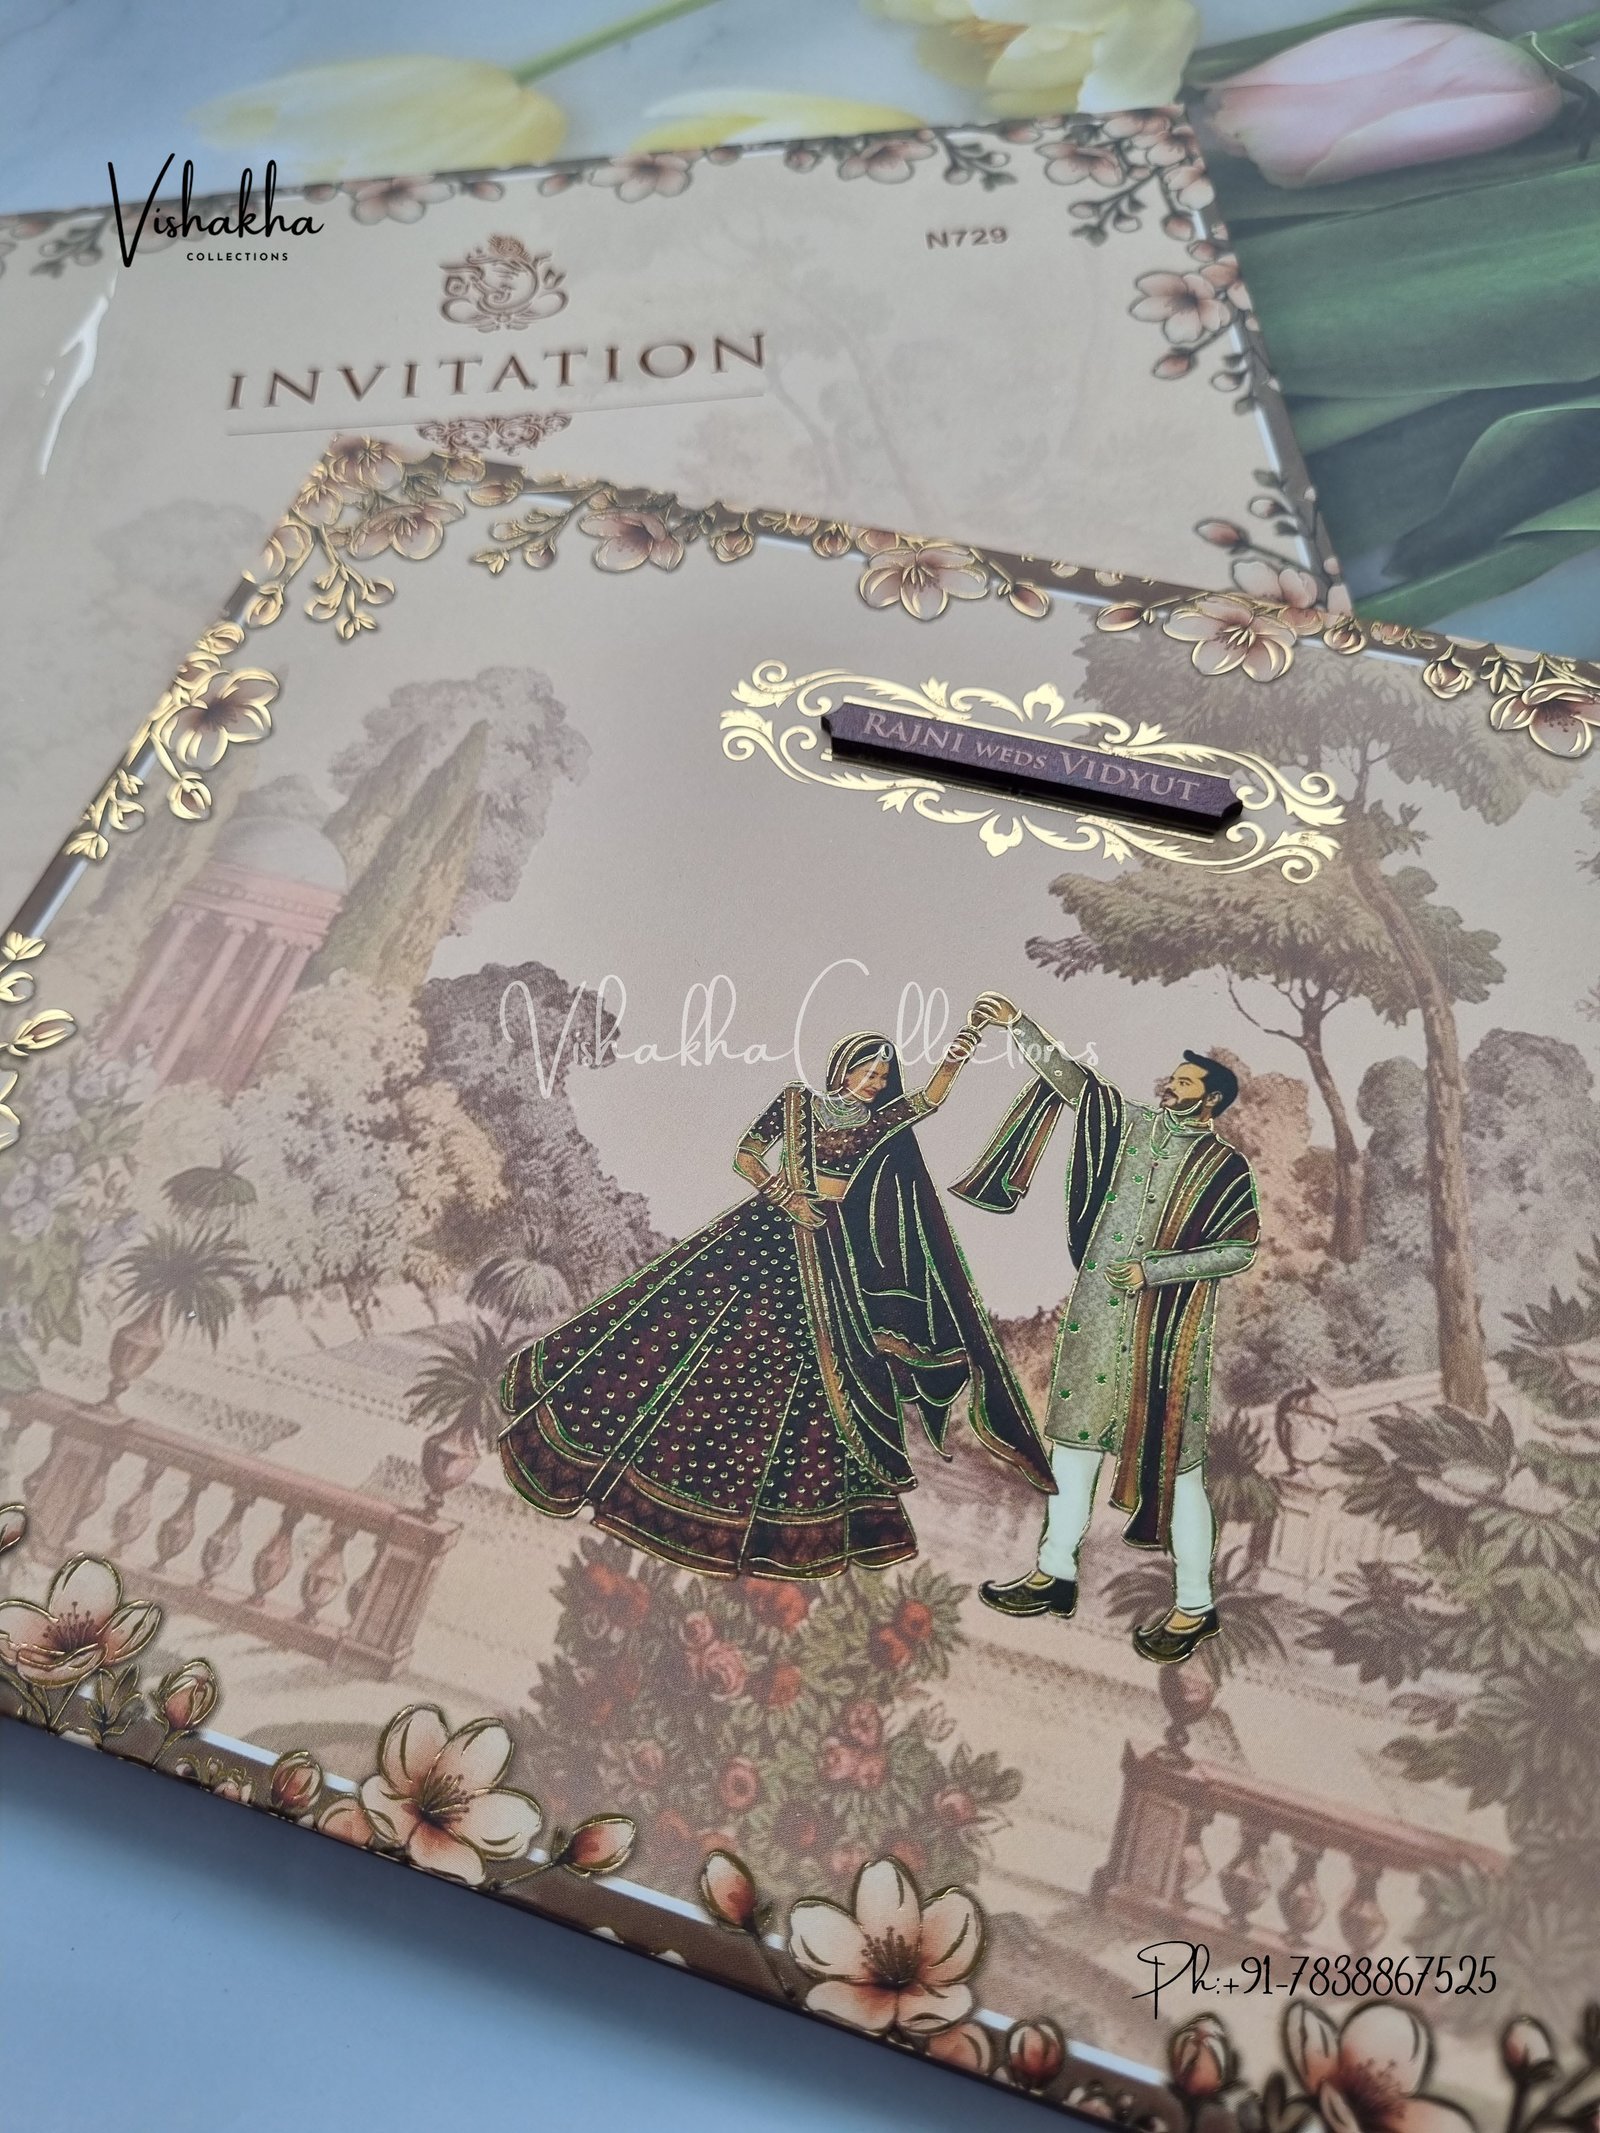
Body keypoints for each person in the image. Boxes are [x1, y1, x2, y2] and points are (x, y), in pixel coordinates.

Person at [500, 1026, 1054, 1579]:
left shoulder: (874, 1122)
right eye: (867, 1071)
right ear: (842, 1068)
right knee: (692, 1337)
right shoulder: (797, 1105)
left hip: (830, 1250)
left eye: (882, 1076)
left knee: (806, 1380)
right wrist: (784, 1195)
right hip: (766, 1233)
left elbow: (927, 1101)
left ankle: (767, 1522)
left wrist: (958, 1056)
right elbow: (747, 1155)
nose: (873, 1082)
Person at [952, 993, 1259, 1664]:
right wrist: (1019, 1027)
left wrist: (1155, 1271)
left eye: (1184, 1083)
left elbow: (1239, 1249)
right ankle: (1053, 1574)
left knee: (1179, 1473)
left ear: (1211, 1100)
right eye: (1172, 1078)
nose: (1170, 1086)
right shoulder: (1133, 1128)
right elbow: (1074, 1083)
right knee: (1073, 1450)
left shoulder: (1225, 1169)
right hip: (1097, 1322)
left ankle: (1195, 1607)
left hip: (1164, 1340)